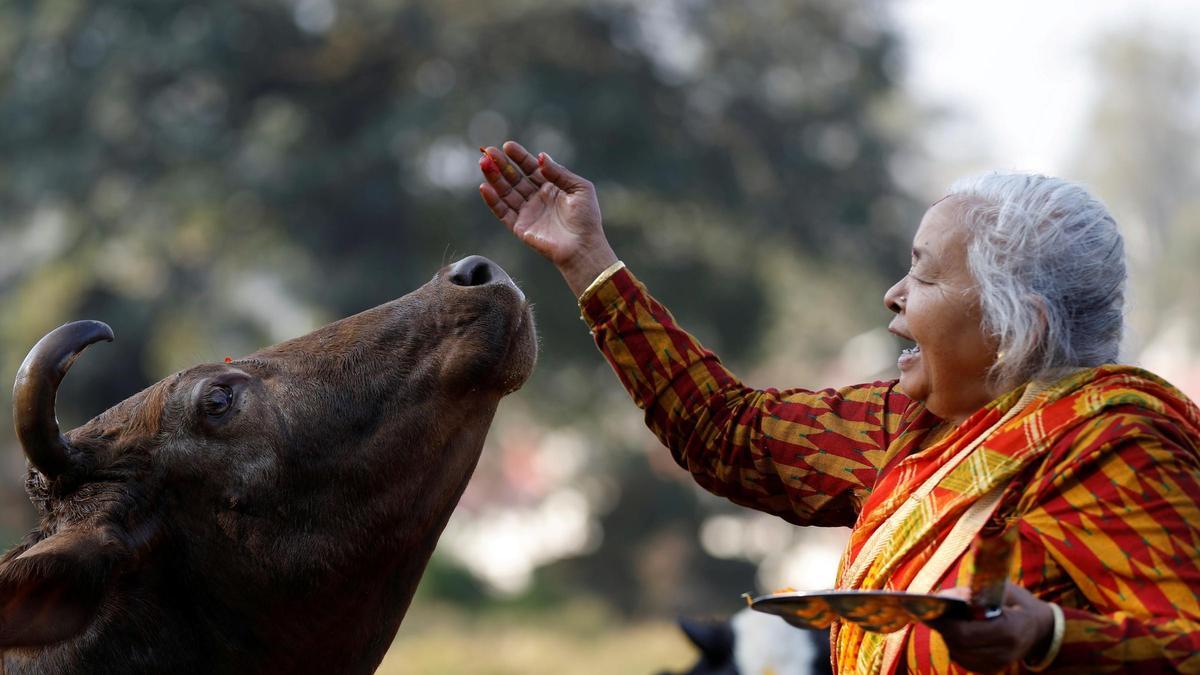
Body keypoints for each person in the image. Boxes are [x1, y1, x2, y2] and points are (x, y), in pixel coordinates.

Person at [477, 141, 1200, 674]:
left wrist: (1050, 636)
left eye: (922, 269)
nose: (894, 292)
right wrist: (587, 260)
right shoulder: (915, 425)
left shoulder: (1121, 441)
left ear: (1017, 327)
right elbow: (723, 430)